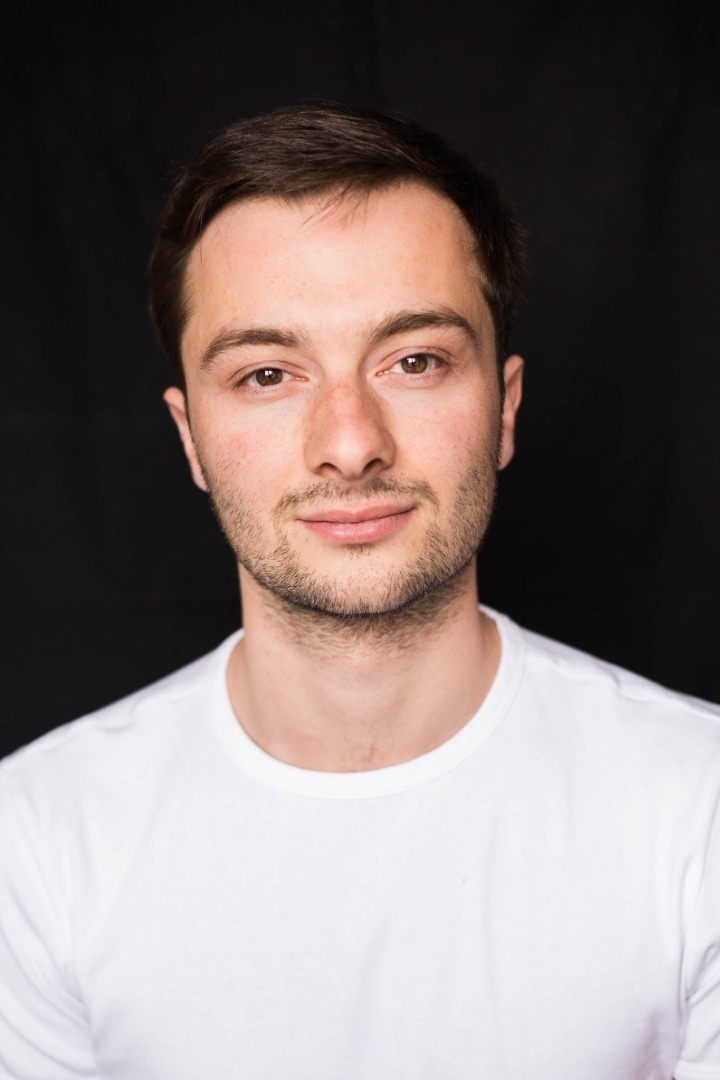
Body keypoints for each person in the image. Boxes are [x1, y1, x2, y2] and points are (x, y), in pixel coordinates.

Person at [0, 103, 718, 1080]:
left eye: (415, 361)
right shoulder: (38, 840)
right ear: (190, 439)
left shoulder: (700, 808)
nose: (350, 443)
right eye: (267, 374)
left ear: (504, 408)